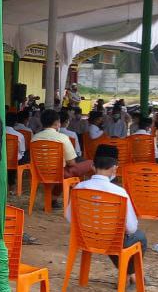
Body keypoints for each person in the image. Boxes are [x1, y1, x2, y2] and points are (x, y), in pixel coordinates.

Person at [66, 145, 146, 281]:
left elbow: (69, 217)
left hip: (85, 237)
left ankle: (128, 273)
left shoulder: (79, 187)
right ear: (114, 168)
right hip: (111, 239)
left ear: (92, 166)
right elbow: (131, 228)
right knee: (139, 237)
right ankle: (129, 273)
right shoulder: (119, 192)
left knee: (114, 236)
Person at [32, 109, 94, 206]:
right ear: (57, 123)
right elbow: (71, 162)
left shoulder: (34, 138)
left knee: (64, 172)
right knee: (91, 163)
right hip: (59, 173)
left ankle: (54, 199)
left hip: (40, 172)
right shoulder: (62, 138)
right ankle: (90, 196)